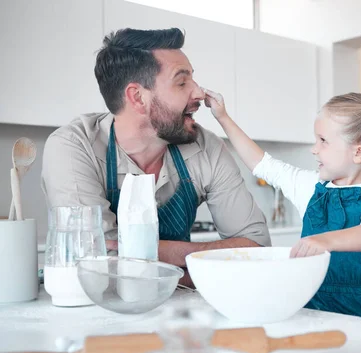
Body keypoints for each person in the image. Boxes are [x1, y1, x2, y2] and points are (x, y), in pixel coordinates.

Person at [41, 28, 271, 285]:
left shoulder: (206, 147)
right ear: (137, 97)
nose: (199, 94)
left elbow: (258, 248)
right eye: (182, 82)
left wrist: (152, 254)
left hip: (184, 311)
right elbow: (98, 264)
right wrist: (206, 263)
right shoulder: (74, 147)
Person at [201, 89, 361, 321]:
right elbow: (262, 164)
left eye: (323, 141)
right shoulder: (310, 186)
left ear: (358, 153)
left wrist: (325, 241)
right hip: (311, 308)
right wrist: (222, 117)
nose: (314, 148)